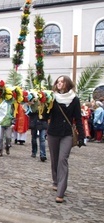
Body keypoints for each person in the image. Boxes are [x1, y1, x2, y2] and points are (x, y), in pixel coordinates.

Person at [45, 75, 85, 203]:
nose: (59, 83)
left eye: (62, 81)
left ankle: (61, 191)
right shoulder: (52, 98)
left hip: (67, 134)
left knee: (63, 159)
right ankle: (56, 181)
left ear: (67, 84)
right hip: (53, 133)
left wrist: (82, 136)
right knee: (54, 159)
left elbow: (78, 119)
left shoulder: (74, 100)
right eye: (58, 81)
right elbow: (45, 116)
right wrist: (43, 105)